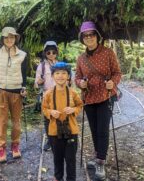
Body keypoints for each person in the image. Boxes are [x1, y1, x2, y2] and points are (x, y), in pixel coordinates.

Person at [75, 21, 121, 180]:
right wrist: (80, 83)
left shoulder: (108, 53)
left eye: (91, 34)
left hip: (105, 96)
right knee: (94, 129)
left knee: (102, 128)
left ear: (97, 36)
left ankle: (101, 161)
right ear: (82, 39)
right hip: (89, 97)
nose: (89, 38)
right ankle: (97, 156)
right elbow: (77, 77)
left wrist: (112, 83)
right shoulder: (81, 58)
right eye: (85, 36)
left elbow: (117, 73)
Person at [0, 27, 27, 163]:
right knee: (1, 121)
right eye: (6, 37)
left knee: (16, 121)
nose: (9, 40)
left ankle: (15, 146)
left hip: (16, 92)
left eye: (12, 37)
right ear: (2, 39)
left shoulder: (22, 54)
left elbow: (24, 73)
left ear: (15, 38)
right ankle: (1, 148)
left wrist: (24, 87)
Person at [42, 62, 83, 181]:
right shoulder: (48, 94)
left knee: (71, 159)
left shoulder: (73, 92)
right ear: (53, 76)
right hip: (54, 131)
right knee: (57, 157)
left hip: (71, 130)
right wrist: (50, 112)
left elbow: (80, 105)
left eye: (64, 73)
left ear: (68, 76)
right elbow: (44, 108)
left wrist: (73, 109)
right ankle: (58, 177)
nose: (60, 76)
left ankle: (71, 178)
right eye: (57, 73)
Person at [35, 41, 58, 151]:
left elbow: (68, 80)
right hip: (46, 96)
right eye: (48, 52)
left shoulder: (60, 65)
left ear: (56, 52)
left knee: (58, 118)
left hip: (59, 96)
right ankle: (50, 140)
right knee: (47, 119)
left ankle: (56, 139)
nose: (51, 54)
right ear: (45, 53)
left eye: (53, 52)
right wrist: (39, 81)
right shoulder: (42, 66)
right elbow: (36, 82)